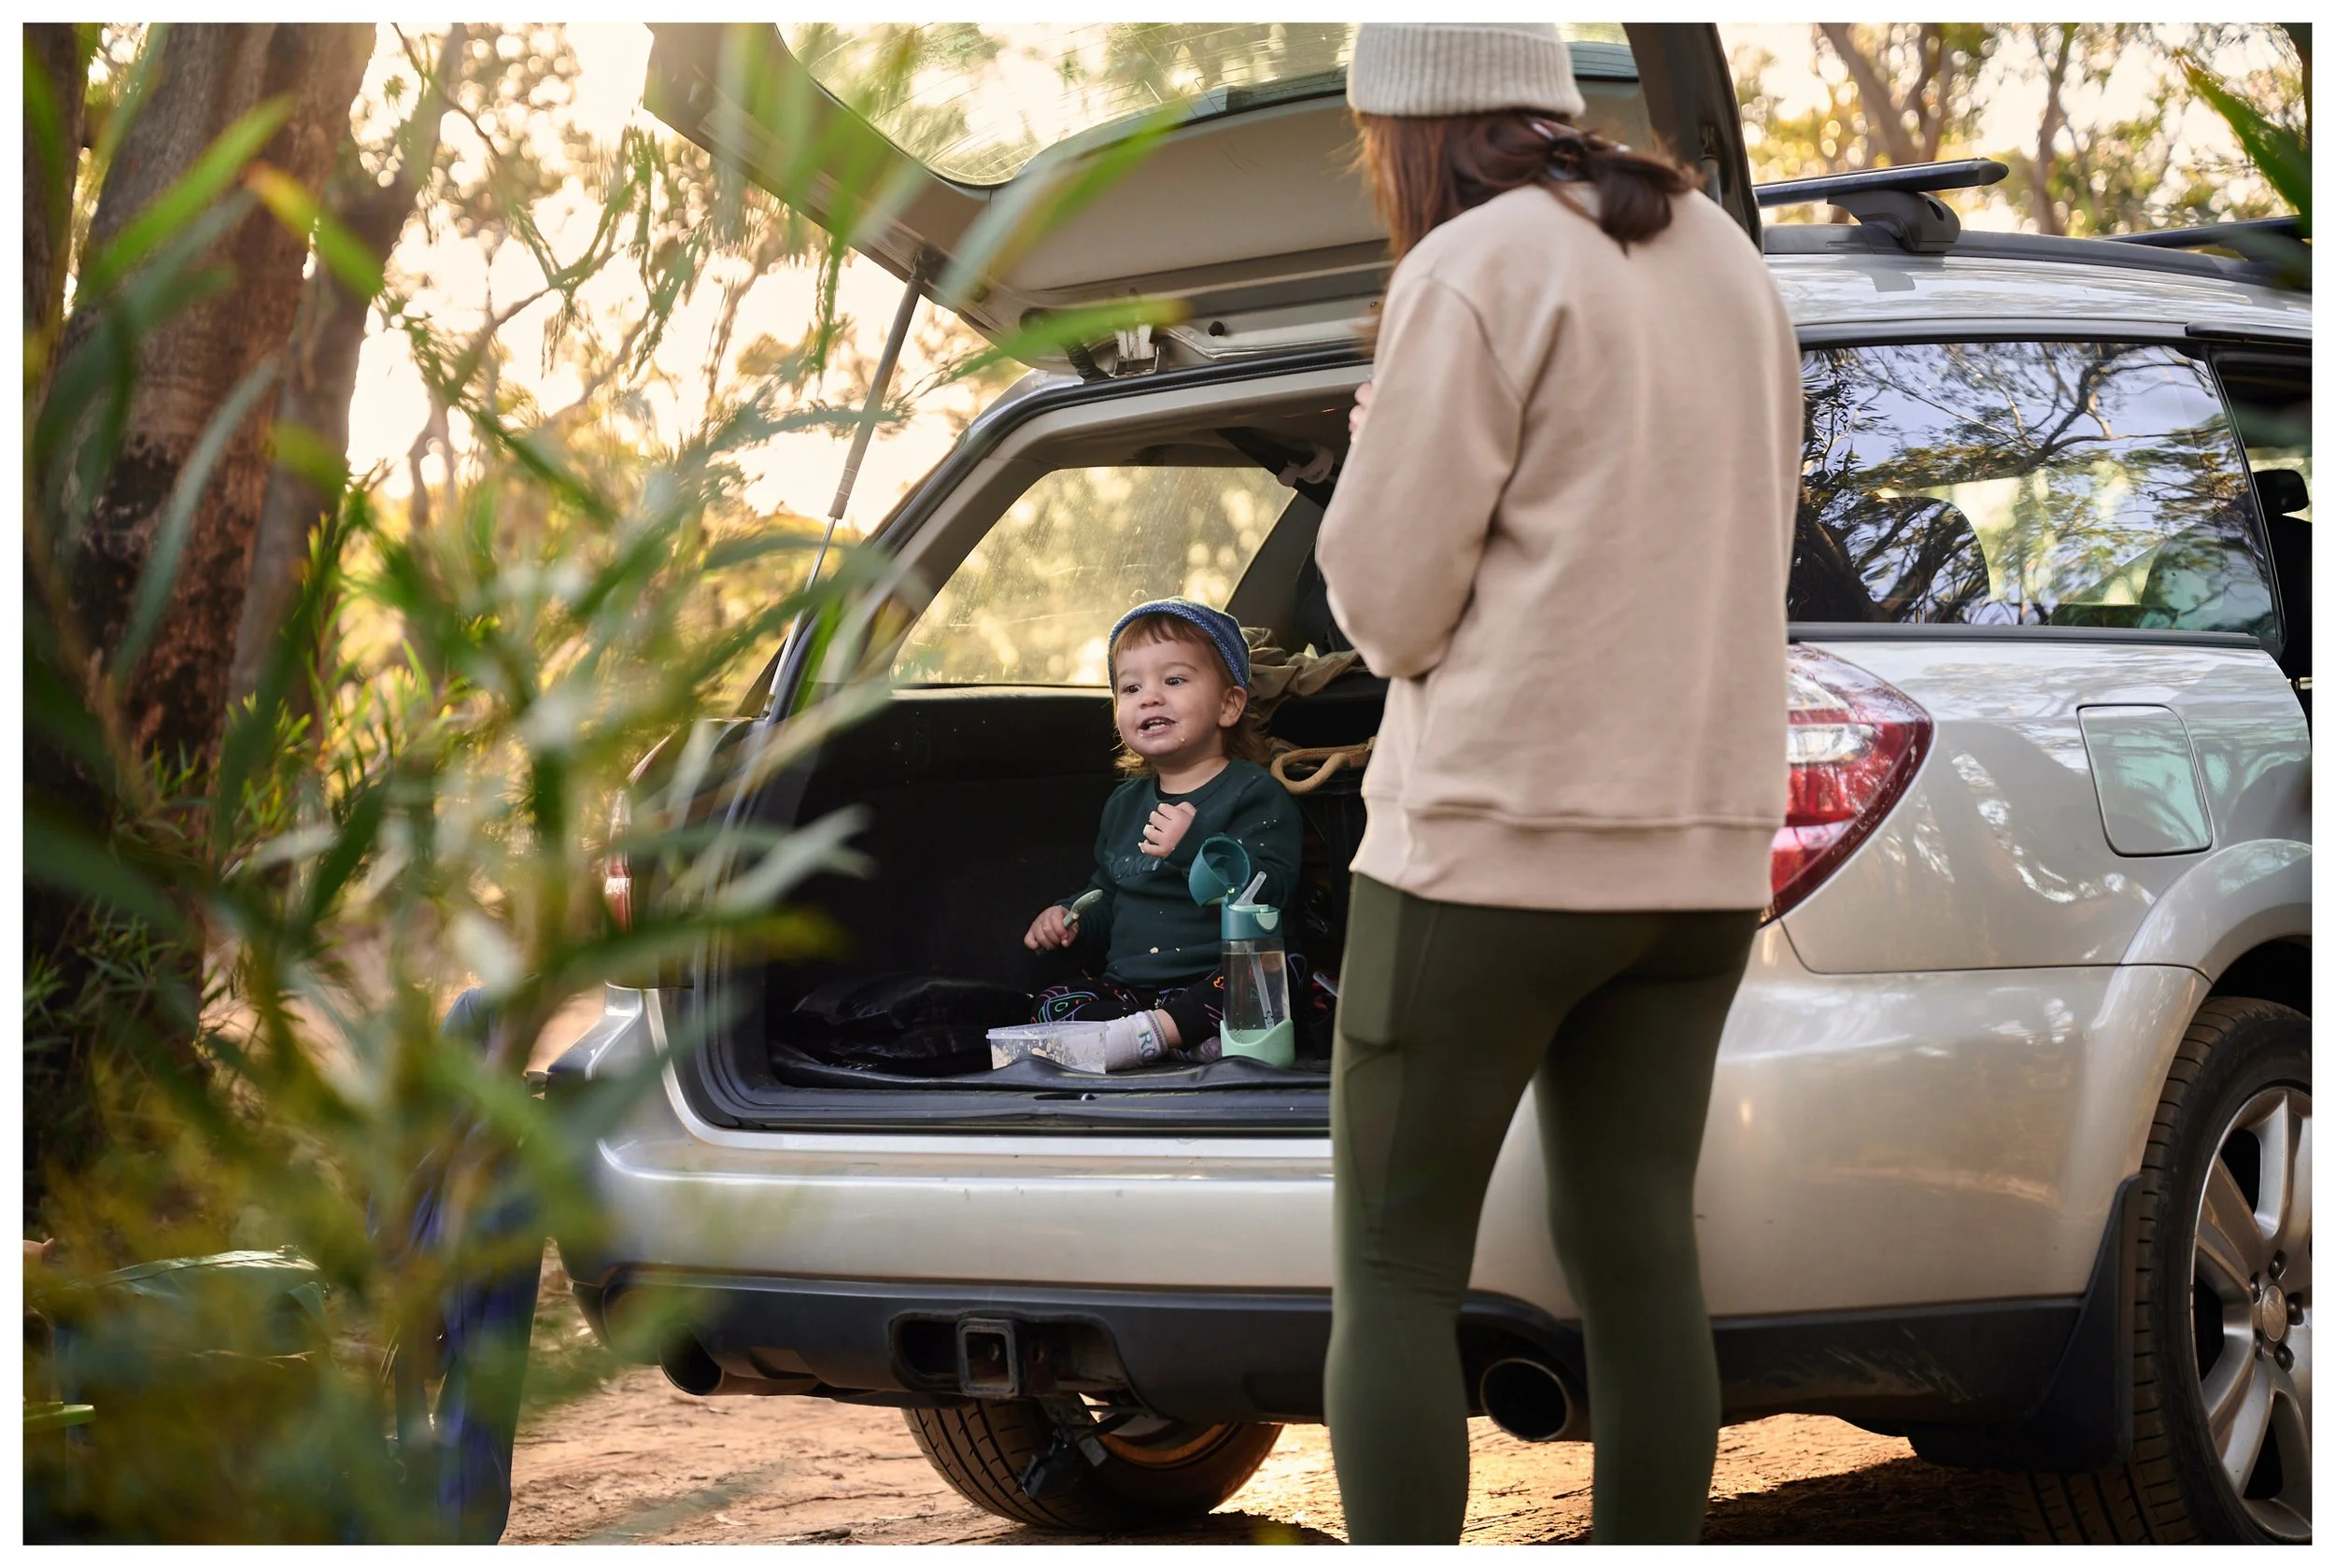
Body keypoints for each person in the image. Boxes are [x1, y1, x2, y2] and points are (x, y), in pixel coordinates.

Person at [1313, 22, 1804, 1546]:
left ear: (1408, 125)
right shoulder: (1723, 254)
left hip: (1486, 855)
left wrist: (1374, 445)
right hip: (1701, 853)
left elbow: (1385, 607)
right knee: (1644, 1255)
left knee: (1395, 1266)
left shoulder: (1473, 269)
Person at [1024, 599, 1302, 1065]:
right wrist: (1071, 915)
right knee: (1051, 1004)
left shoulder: (1253, 792)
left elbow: (1273, 892)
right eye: (1131, 687)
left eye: (1173, 681)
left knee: (1271, 978)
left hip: (1216, 974)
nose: (1149, 697)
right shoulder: (1125, 804)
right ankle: (1174, 1039)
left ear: (1229, 705)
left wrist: (1195, 849)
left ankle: (1162, 1037)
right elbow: (1110, 892)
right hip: (1135, 989)